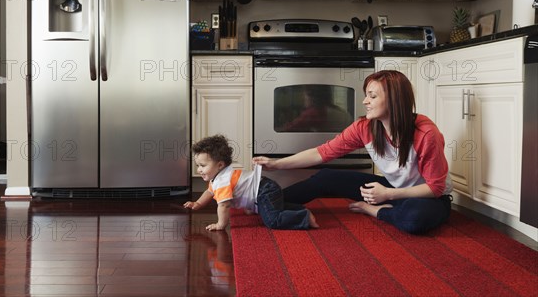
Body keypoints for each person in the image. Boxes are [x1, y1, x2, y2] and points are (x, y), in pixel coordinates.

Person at [253, 70, 453, 234]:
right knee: (325, 178)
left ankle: (376, 212)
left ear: (395, 100)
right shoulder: (365, 127)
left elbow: (435, 188)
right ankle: (262, 202)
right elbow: (322, 153)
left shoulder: (426, 133)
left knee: (415, 219)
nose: (365, 101)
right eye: (366, 95)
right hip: (391, 189)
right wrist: (276, 163)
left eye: (372, 96)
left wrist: (386, 196)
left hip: (428, 197)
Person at [184, 134, 319, 231]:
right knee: (270, 208)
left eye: (202, 165)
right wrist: (198, 203)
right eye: (198, 165)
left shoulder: (223, 181)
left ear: (220, 165)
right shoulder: (219, 177)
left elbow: (224, 205)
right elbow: (209, 191)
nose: (199, 170)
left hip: (264, 191)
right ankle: (298, 208)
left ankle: (303, 217)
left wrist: (220, 224)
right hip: (265, 187)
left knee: (272, 221)